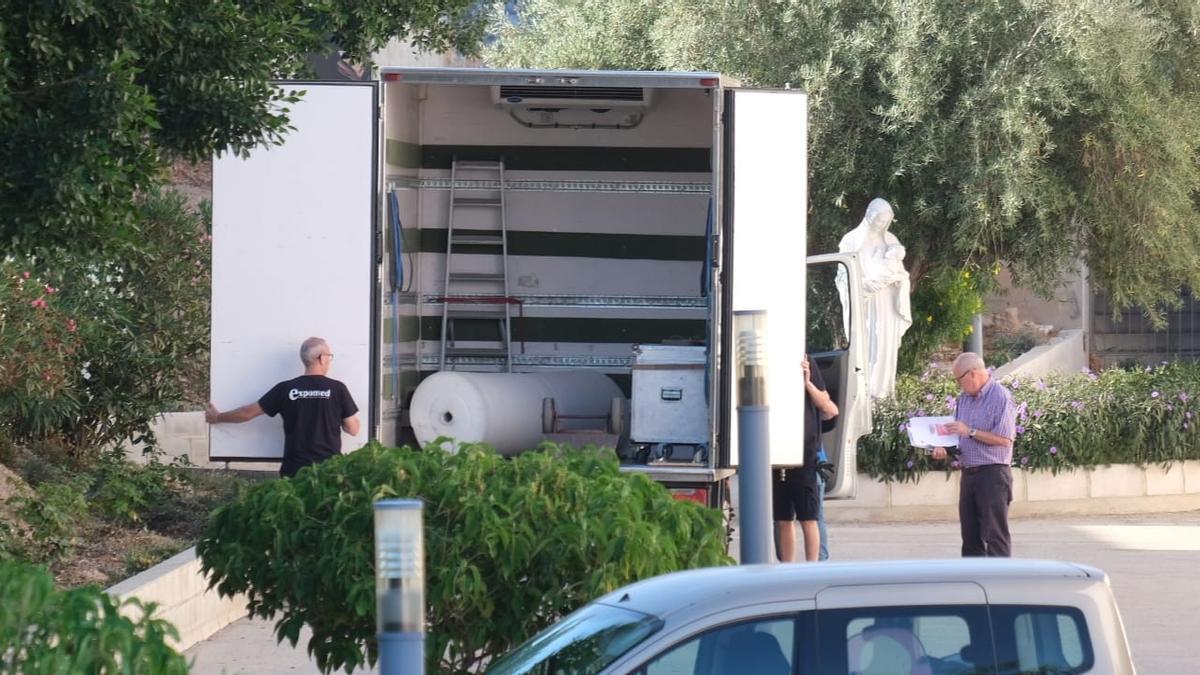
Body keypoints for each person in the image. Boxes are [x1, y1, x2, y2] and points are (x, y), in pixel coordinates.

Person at [207, 337, 360, 478]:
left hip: (295, 469)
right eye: (329, 356)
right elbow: (352, 429)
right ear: (321, 358)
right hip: (330, 469)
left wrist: (218, 417)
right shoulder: (338, 389)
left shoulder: (285, 389)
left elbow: (247, 413)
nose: (330, 360)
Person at [931, 352, 1017, 557]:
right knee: (970, 538)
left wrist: (970, 431)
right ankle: (974, 582)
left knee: (995, 535)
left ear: (972, 374)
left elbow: (1005, 440)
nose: (959, 385)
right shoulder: (964, 400)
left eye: (959, 380)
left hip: (993, 474)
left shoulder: (1000, 396)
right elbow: (958, 435)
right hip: (969, 473)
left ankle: (999, 583)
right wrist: (943, 447)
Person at [835, 198, 913, 400]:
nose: (880, 225)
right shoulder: (851, 241)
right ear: (870, 216)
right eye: (878, 220)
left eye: (884, 222)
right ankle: (867, 396)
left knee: (884, 344)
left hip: (887, 302)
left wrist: (899, 280)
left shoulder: (891, 240)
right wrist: (863, 286)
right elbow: (843, 277)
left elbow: (901, 272)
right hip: (866, 304)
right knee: (870, 344)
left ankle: (884, 395)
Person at [774, 355, 838, 562]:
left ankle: (813, 568)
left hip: (804, 453)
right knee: (782, 518)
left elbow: (827, 406)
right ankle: (787, 569)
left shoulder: (806, 361)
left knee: (809, 517)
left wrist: (807, 383)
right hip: (775, 452)